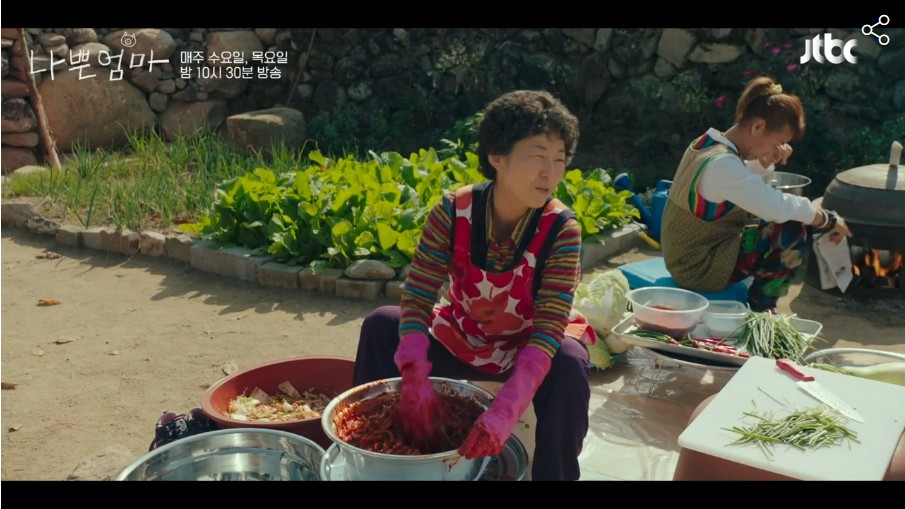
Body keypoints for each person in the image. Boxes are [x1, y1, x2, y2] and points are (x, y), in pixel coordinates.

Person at [353, 89, 596, 481]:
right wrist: (413, 370)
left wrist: (505, 410)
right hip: (464, 334)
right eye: (537, 156)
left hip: (527, 348)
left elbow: (548, 329)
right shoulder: (453, 211)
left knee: (570, 361)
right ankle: (375, 454)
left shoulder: (561, 229)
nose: (550, 173)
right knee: (382, 324)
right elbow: (418, 295)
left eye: (559, 159)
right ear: (497, 157)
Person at [660, 76, 852, 312]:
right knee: (790, 229)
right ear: (758, 126)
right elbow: (775, 207)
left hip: (686, 257)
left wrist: (763, 163)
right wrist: (826, 219)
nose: (781, 149)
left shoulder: (705, 145)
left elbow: (738, 186)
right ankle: (762, 311)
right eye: (779, 142)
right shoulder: (723, 165)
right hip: (699, 269)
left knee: (772, 220)